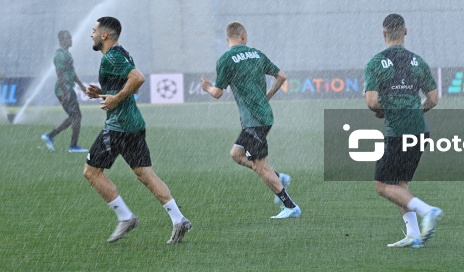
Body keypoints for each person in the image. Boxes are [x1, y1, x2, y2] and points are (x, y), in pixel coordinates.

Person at [83, 16, 191, 243]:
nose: (90, 34)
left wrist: (114, 100)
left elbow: (137, 78)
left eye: (93, 31)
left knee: (91, 172)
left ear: (104, 35)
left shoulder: (111, 57)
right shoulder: (121, 53)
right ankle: (179, 219)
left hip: (119, 126)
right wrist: (102, 93)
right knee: (145, 173)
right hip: (133, 124)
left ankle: (125, 217)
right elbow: (125, 86)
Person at [201, 21, 300, 219]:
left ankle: (290, 206)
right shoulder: (256, 54)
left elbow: (217, 93)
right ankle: (279, 177)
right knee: (236, 154)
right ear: (243, 37)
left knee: (260, 166)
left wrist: (207, 87)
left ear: (227, 39)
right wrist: (267, 96)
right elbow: (281, 76)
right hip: (261, 117)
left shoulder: (226, 59)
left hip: (254, 120)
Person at [364, 13, 443, 249]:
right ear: (405, 32)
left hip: (398, 131)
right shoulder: (418, 61)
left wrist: (390, 109)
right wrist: (413, 109)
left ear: (383, 33)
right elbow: (433, 99)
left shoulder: (376, 62)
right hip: (420, 130)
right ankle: (414, 234)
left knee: (382, 185)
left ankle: (427, 211)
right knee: (399, 183)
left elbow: (371, 102)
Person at [41, 30, 88, 153]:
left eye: (71, 38)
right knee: (76, 117)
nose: (71, 40)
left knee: (74, 117)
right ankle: (72, 146)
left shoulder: (67, 54)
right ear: (62, 40)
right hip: (64, 90)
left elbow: (71, 73)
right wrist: (65, 93)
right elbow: (60, 75)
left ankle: (51, 136)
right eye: (69, 38)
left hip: (68, 89)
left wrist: (81, 86)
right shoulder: (60, 55)